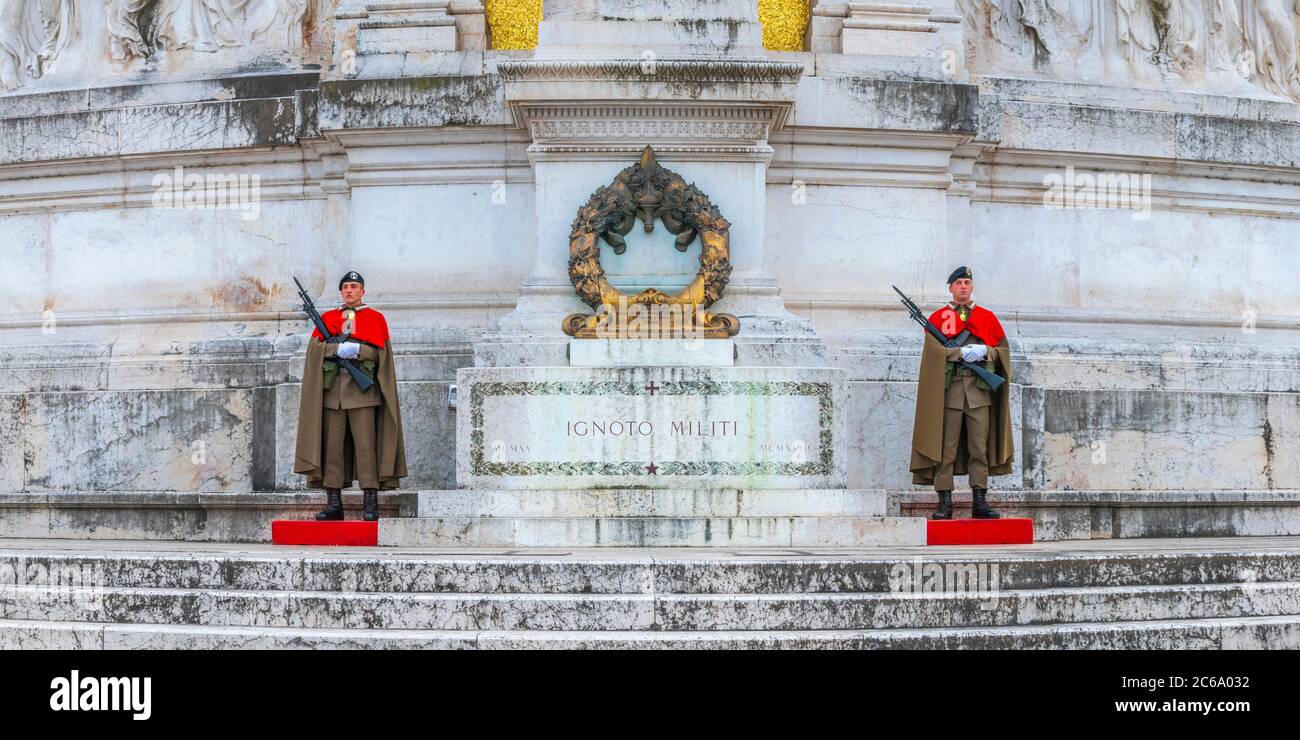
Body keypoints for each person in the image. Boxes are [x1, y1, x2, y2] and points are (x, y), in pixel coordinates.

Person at [293, 271, 407, 521]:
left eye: (354, 286)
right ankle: (334, 503)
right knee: (333, 449)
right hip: (333, 395)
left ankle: (370, 502)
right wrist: (337, 348)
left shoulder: (375, 319)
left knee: (366, 449)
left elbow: (380, 356)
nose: (348, 291)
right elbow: (315, 352)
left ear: (363, 291)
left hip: (362, 395)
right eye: (345, 287)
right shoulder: (329, 318)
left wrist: (358, 350)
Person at [908, 266, 1014, 519]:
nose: (963, 287)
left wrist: (985, 352)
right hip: (951, 392)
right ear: (950, 288)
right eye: (958, 283)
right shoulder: (938, 318)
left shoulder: (987, 317)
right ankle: (944, 503)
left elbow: (1002, 351)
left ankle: (980, 501)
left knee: (980, 448)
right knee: (947, 449)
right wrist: (960, 353)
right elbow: (933, 354)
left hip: (979, 393)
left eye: (967, 282)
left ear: (972, 286)